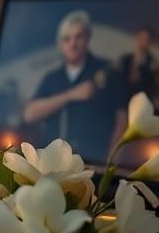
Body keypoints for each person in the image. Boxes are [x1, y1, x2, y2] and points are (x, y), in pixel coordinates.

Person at [22, 9, 120, 161]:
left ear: (88, 38)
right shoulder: (52, 77)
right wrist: (70, 96)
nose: (73, 44)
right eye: (67, 39)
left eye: (78, 37)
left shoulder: (108, 70)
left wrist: (111, 159)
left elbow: (122, 119)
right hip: (53, 163)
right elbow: (30, 114)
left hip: (93, 162)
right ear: (60, 45)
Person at [119, 27, 158, 99]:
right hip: (124, 99)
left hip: (141, 101)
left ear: (150, 42)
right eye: (140, 38)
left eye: (146, 39)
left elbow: (150, 85)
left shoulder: (152, 63)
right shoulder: (126, 59)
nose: (142, 42)